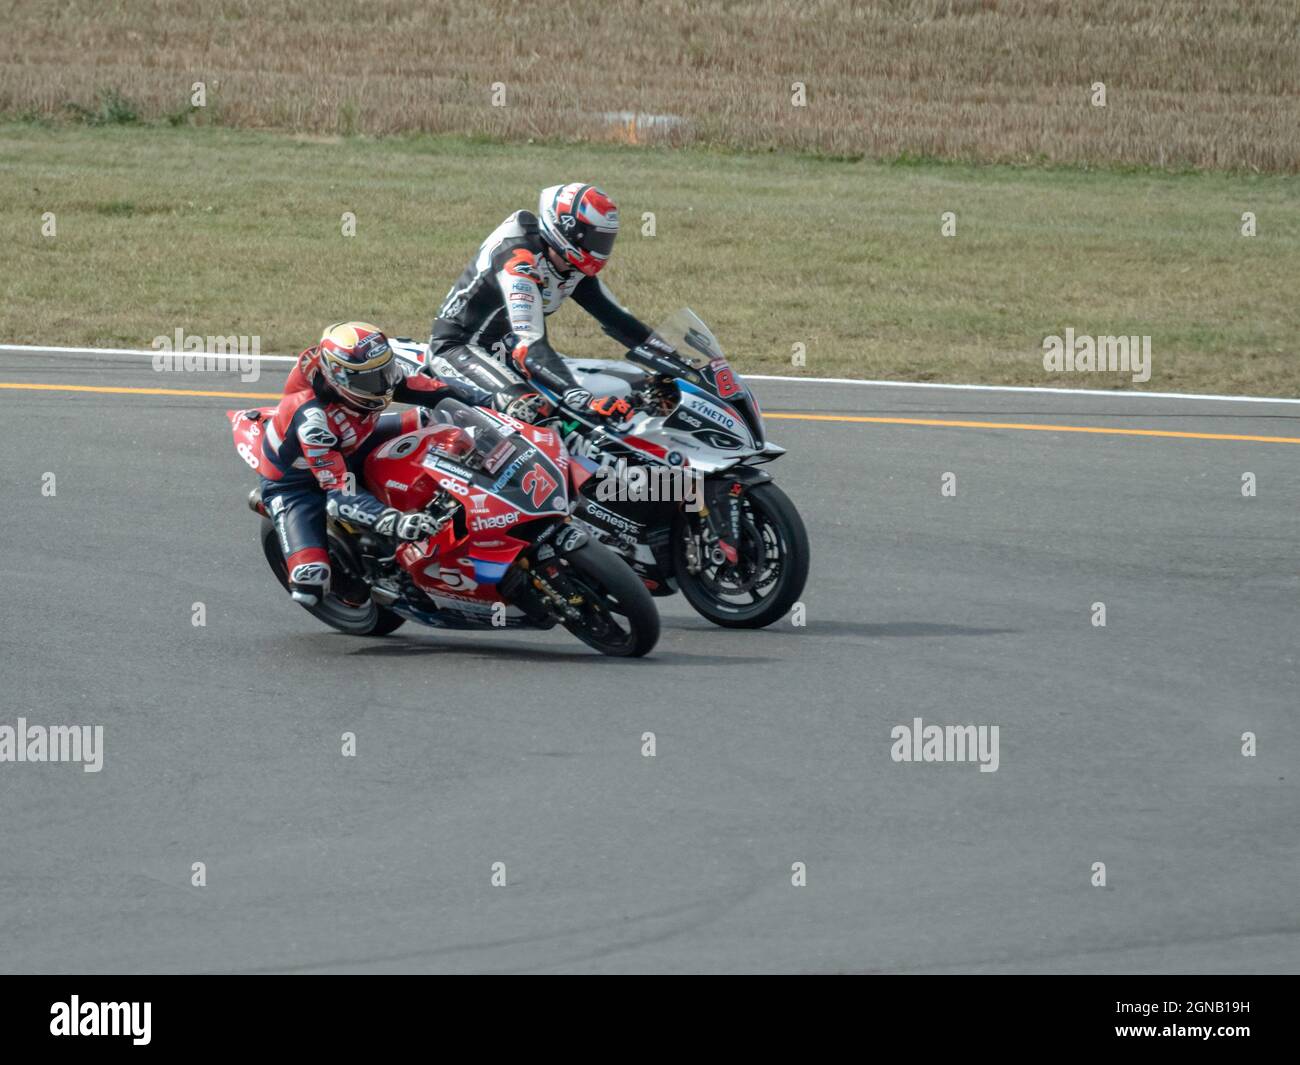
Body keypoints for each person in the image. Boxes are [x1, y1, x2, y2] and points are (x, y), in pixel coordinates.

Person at [256, 321, 484, 604]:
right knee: (310, 583)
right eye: (371, 380)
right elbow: (340, 494)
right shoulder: (313, 422)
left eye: (385, 371)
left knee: (437, 423)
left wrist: (485, 402)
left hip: (355, 439)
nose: (384, 383)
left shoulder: (364, 374)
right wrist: (396, 522)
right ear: (338, 378)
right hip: (300, 483)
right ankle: (357, 585)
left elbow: (428, 389)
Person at [427, 183, 680, 426]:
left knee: (630, 380)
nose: (600, 249)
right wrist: (577, 396)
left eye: (605, 240)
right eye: (595, 238)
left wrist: (677, 362)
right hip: (459, 347)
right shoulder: (518, 262)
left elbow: (616, 318)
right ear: (567, 230)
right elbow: (530, 342)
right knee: (531, 409)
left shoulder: (570, 264)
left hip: (507, 349)